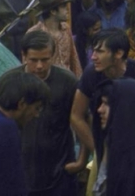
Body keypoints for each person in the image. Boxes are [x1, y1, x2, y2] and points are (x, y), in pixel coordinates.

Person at [12, 31, 84, 196]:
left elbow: (83, 119)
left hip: (60, 174)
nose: (39, 66)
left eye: (45, 60)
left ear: (53, 55)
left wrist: (81, 161)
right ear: (24, 56)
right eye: (33, 60)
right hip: (22, 173)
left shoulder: (67, 81)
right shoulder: (10, 82)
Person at [70, 28, 135, 160]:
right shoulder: (92, 73)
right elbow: (76, 115)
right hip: (105, 141)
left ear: (118, 53)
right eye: (94, 50)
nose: (93, 57)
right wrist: (98, 151)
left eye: (100, 52)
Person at [27, 0, 82, 77]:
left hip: (67, 83)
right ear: (53, 11)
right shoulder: (34, 33)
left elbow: (74, 59)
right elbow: (28, 65)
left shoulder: (66, 29)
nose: (67, 9)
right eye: (63, 6)